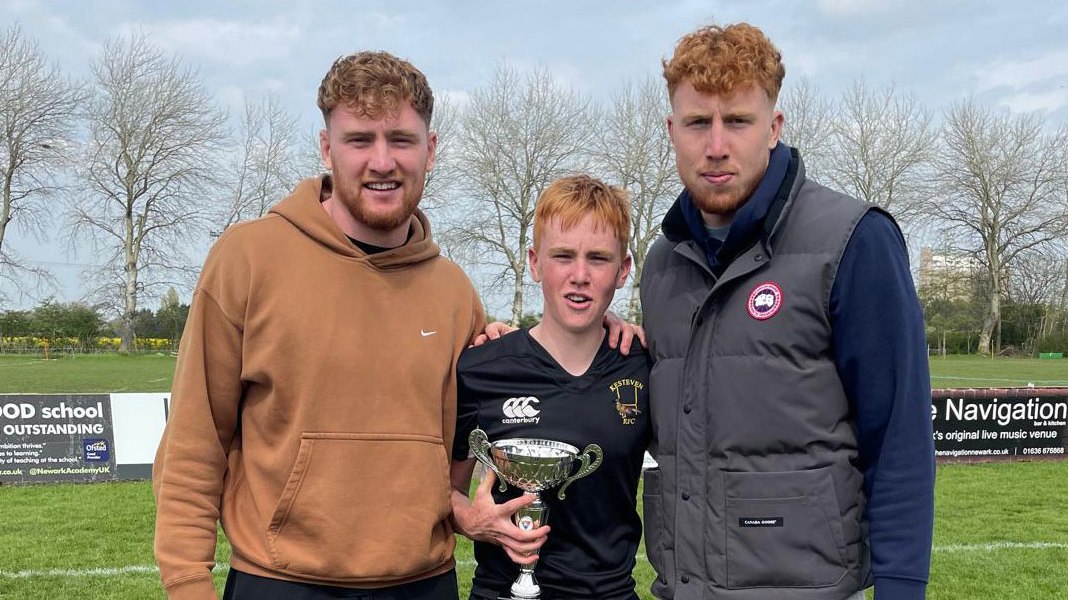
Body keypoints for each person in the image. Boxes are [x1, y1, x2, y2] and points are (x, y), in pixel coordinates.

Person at [152, 51, 487, 599]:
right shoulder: (249, 259)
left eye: (401, 139)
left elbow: (474, 431)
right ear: (327, 148)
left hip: (424, 585)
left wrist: (595, 325)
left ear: (431, 150)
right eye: (360, 140)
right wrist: (188, 582)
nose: (382, 161)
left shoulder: (452, 289)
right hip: (278, 581)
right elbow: (195, 440)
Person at [639, 23, 935, 600]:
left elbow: (899, 435)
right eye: (698, 123)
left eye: (738, 121)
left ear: (773, 128)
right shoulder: (661, 264)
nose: (717, 145)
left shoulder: (854, 241)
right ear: (672, 131)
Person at [450, 175, 652, 600]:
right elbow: (440, 487)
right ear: (535, 262)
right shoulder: (482, 367)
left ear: (623, 270)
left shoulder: (646, 366)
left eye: (598, 258)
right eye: (563, 256)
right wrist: (469, 518)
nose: (579, 275)